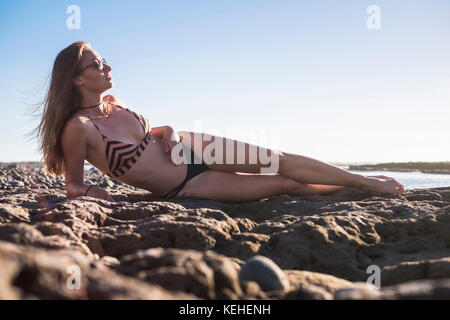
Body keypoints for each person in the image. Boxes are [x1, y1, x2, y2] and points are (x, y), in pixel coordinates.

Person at [33, 41, 405, 203]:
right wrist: (98, 194)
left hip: (195, 146)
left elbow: (156, 132)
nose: (107, 67)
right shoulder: (77, 129)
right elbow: (73, 186)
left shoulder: (115, 102)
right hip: (186, 186)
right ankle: (352, 189)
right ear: (77, 79)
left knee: (279, 158)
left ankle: (365, 182)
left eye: (104, 60)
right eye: (96, 64)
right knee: (284, 184)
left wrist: (172, 134)